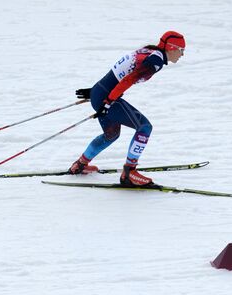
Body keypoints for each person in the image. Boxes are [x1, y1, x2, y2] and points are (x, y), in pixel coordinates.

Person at [68, 31, 186, 187]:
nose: (182, 55)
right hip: (106, 96)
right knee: (144, 127)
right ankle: (129, 173)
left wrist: (95, 91)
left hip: (101, 92)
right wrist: (108, 101)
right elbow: (128, 79)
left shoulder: (150, 51)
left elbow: (120, 73)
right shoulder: (155, 60)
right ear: (172, 48)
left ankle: (80, 165)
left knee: (111, 134)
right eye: (181, 50)